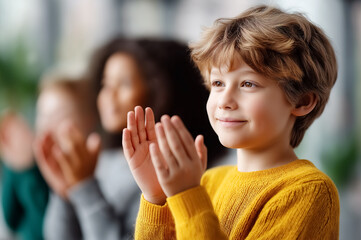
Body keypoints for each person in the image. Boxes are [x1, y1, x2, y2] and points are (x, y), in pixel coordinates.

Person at [123, 5, 340, 239]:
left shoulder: (309, 191)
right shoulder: (208, 181)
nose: (224, 101)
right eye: (217, 83)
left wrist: (187, 195)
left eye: (248, 84)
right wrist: (157, 196)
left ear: (302, 101)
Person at [38, 38, 228, 240]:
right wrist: (65, 195)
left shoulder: (167, 172)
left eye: (124, 84)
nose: (108, 94)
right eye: (105, 83)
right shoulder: (103, 161)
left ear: (160, 92)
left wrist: (85, 188)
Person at [0, 72, 98, 240]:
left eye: (59, 115)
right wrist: (15, 165)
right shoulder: (32, 160)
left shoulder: (88, 172)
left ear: (88, 120)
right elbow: (10, 221)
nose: (48, 124)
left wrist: (28, 170)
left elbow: (48, 233)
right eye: (43, 115)